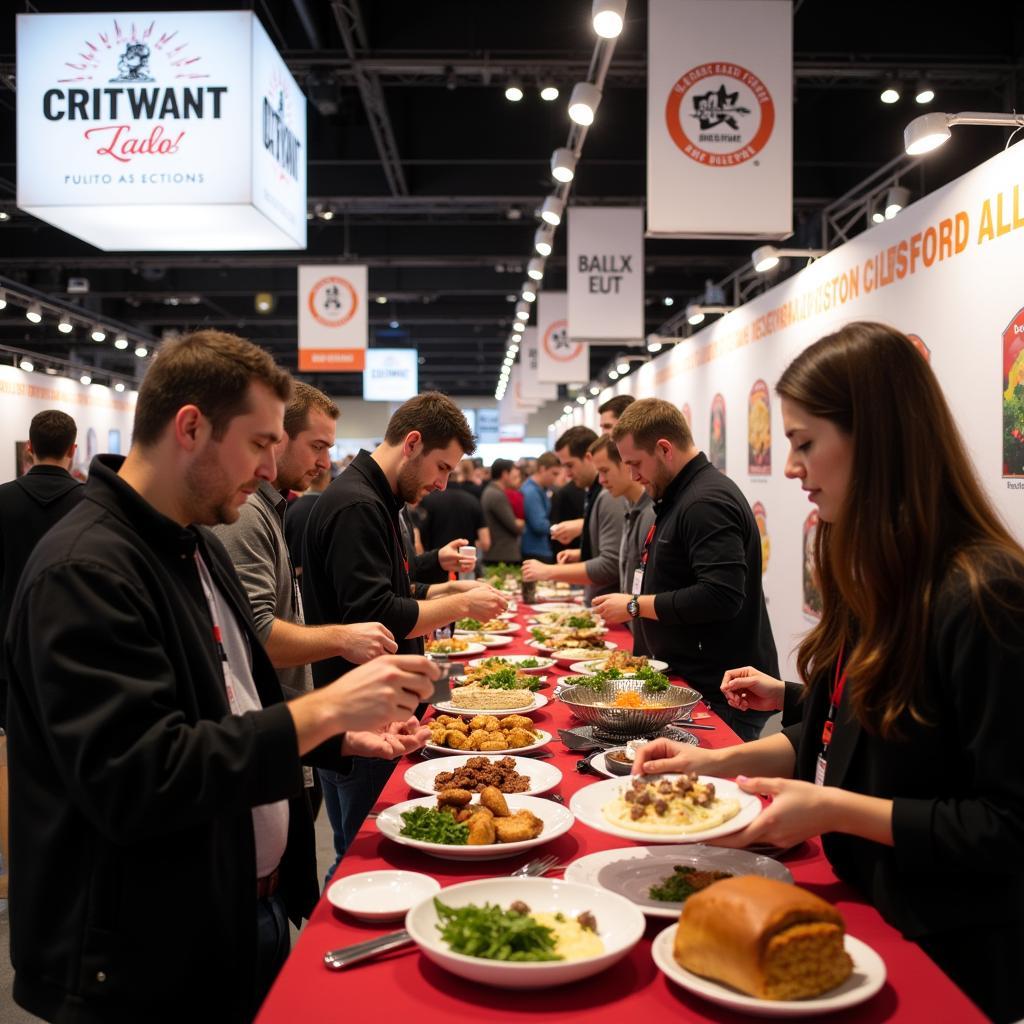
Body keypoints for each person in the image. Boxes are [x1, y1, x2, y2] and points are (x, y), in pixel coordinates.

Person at [2, 330, 438, 1023]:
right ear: (191, 427)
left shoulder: (193, 540)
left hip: (231, 911)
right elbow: (139, 774)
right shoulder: (86, 570)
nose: (273, 467)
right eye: (261, 442)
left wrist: (340, 737)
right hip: (141, 960)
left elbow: (227, 704)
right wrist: (323, 711)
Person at [632, 323, 1024, 1023]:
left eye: (805, 443)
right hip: (863, 917)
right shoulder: (870, 573)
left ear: (877, 440)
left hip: (949, 954)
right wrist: (712, 763)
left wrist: (835, 809)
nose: (789, 467)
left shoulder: (984, 595)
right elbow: (828, 733)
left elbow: (1006, 825)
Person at [301, 393, 508, 871]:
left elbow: (397, 588)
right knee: (364, 858)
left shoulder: (381, 498)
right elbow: (375, 613)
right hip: (366, 716)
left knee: (362, 848)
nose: (442, 483)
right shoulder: (357, 503)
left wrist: (439, 592)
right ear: (412, 443)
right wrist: (462, 603)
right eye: (442, 467)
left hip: (380, 709)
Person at [593, 398, 778, 739]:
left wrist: (635, 605)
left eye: (636, 464)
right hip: (695, 684)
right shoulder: (678, 495)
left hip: (720, 695)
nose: (633, 475)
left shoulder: (704, 502)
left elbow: (720, 595)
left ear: (664, 448)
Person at [0, 410, 84, 726]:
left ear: (29, 448)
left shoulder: (2, 500)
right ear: (73, 450)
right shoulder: (90, 504)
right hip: (72, 653)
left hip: (9, 654)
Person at [522, 426, 625, 605]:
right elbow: (620, 554)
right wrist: (582, 553)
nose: (567, 474)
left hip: (613, 608)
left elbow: (610, 564)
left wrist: (549, 571)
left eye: (570, 465)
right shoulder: (598, 493)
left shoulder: (609, 496)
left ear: (588, 458)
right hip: (606, 604)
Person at [588, 435, 655, 602]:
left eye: (605, 471)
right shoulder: (629, 506)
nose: (601, 480)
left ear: (626, 464)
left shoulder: (652, 511)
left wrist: (631, 608)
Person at [284, 464, 331, 577]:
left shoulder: (292, 508)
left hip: (294, 578)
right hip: (321, 579)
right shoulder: (331, 509)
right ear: (327, 478)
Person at [481, 458, 524, 565]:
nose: (517, 480)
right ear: (505, 474)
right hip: (502, 556)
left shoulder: (492, 492)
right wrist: (522, 523)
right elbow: (514, 526)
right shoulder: (496, 495)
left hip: (498, 554)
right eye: (515, 476)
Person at [520, 452, 561, 562]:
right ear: (542, 469)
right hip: (535, 551)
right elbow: (539, 525)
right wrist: (562, 529)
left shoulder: (540, 489)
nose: (556, 478)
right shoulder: (531, 492)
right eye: (554, 474)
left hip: (540, 549)